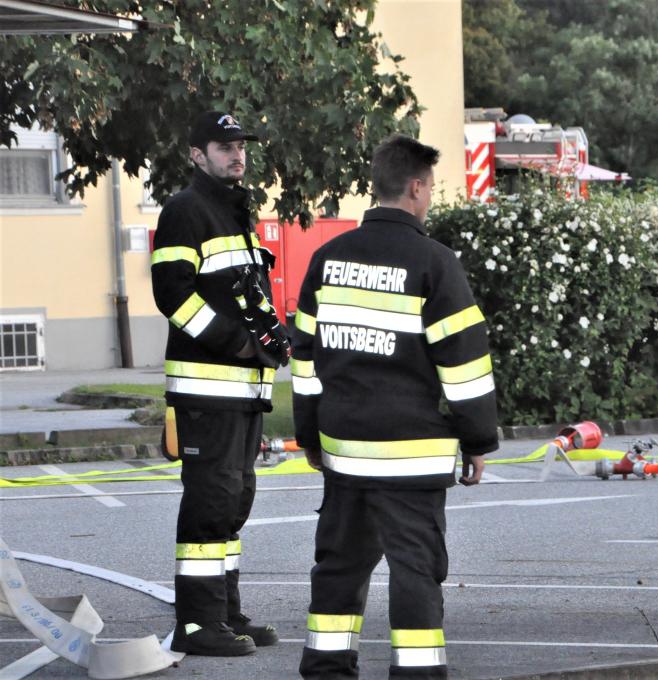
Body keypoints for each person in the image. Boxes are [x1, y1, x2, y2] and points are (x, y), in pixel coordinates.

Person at [292, 134, 499, 679]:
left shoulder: (327, 259)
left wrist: (310, 436)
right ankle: (416, 673)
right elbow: (464, 365)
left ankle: (326, 671)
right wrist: (478, 439)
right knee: (414, 571)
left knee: (338, 568)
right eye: (429, 187)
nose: (428, 196)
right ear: (415, 188)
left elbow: (305, 359)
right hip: (412, 456)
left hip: (344, 452)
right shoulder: (435, 263)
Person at [152, 110, 289, 656]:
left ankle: (226, 614)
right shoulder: (186, 210)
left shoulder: (234, 212)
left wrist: (273, 338)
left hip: (243, 393)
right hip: (208, 390)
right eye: (224, 146)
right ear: (197, 154)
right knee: (211, 503)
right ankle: (197, 624)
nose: (237, 155)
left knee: (234, 502)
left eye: (241, 147)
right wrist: (237, 344)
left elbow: (246, 296)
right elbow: (173, 294)